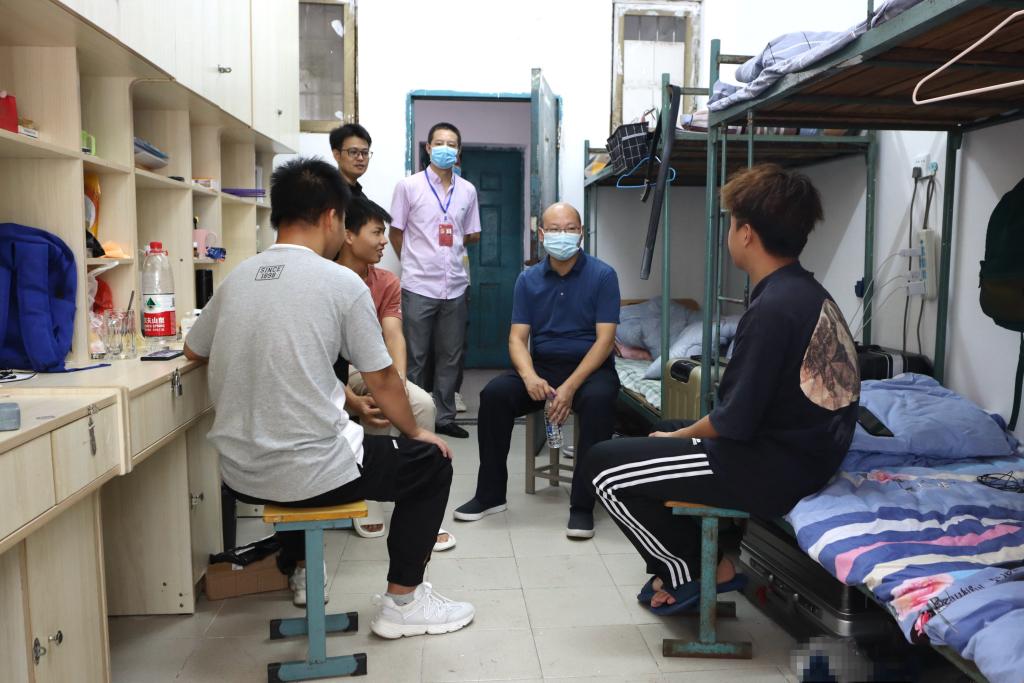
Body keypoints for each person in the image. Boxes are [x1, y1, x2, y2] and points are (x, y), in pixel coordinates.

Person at [184, 158, 474, 638]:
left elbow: (194, 349)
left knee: (325, 443)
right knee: (432, 463)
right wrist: (416, 431)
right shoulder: (340, 282)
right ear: (331, 217)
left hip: (240, 475)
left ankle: (302, 566)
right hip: (312, 473)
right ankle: (403, 603)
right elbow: (383, 378)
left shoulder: (237, 277)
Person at [584, 164, 860, 614]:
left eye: (731, 224)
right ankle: (698, 557)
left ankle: (695, 568)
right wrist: (676, 433)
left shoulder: (772, 310)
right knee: (662, 431)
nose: (729, 233)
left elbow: (734, 421)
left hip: (771, 468)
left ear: (746, 234)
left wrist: (676, 438)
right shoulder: (805, 292)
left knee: (603, 467)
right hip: (804, 455)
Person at [453, 202, 621, 539]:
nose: (563, 235)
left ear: (581, 233)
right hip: (543, 366)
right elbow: (517, 339)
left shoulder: (603, 275)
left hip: (590, 370)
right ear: (541, 234)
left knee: (600, 402)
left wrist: (570, 388)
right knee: (494, 395)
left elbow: (605, 341)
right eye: (555, 229)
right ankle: (490, 495)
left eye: (570, 228)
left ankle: (582, 505)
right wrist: (530, 377)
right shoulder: (527, 279)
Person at [336, 194, 456, 551]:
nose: (384, 241)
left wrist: (399, 380)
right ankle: (369, 498)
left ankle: (421, 505)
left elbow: (393, 334)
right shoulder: (326, 278)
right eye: (376, 232)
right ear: (348, 235)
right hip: (341, 370)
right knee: (378, 402)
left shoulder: (386, 280)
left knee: (423, 404)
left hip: (376, 366)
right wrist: (352, 398)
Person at [390, 122, 481, 439]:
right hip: (418, 285)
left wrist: (448, 245)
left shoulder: (467, 190)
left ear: (459, 151)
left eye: (451, 144)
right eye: (439, 142)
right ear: (428, 148)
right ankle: (414, 418)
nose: (445, 148)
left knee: (450, 356)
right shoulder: (408, 186)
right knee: (415, 356)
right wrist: (412, 261)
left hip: (455, 285)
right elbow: (396, 231)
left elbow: (472, 233)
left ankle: (443, 417)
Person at [329, 122, 372, 197]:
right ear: (337, 155)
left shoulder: (360, 195)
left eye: (365, 153)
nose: (360, 158)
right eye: (353, 152)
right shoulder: (329, 194)